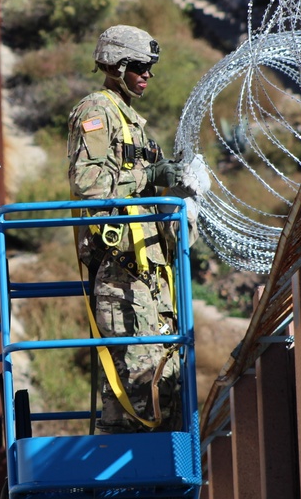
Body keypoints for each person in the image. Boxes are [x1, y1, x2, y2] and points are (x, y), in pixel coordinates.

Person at [67, 24, 203, 434]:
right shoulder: (97, 111)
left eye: (149, 68)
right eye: (141, 67)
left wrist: (178, 181)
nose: (147, 75)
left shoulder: (132, 123)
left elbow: (146, 174)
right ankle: (125, 472)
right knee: (140, 384)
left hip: (148, 271)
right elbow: (88, 186)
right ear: (119, 65)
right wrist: (150, 177)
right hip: (120, 269)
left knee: (164, 379)